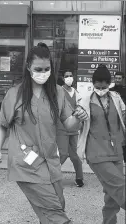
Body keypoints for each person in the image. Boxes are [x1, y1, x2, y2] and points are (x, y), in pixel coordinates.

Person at [0, 46, 88, 224]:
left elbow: (68, 123)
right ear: (28, 67)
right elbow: (2, 125)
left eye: (46, 69)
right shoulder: (15, 95)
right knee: (55, 214)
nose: (43, 73)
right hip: (26, 163)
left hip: (51, 161)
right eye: (38, 69)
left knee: (57, 205)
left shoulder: (57, 92)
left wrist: (78, 117)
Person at [78, 64, 125, 224]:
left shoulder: (116, 98)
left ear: (109, 84)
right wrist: (78, 117)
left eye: (105, 85)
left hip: (116, 151)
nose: (101, 88)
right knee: (120, 188)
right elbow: (75, 124)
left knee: (112, 195)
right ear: (93, 83)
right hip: (97, 152)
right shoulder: (86, 100)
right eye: (98, 86)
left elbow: (124, 116)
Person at [57, 70, 84, 187]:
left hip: (74, 128)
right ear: (63, 79)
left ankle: (79, 178)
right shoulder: (59, 91)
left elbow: (80, 106)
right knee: (63, 154)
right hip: (62, 127)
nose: (69, 78)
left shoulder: (76, 92)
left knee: (75, 155)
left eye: (70, 76)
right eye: (66, 76)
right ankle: (51, 175)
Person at [109, 71, 126, 163]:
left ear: (123, 79)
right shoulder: (110, 91)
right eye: (116, 78)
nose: (117, 80)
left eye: (119, 78)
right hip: (114, 119)